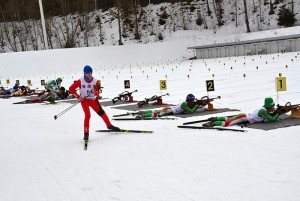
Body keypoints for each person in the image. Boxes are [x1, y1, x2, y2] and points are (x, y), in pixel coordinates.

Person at [69, 65, 120, 141]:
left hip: (93, 100)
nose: (90, 74)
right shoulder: (80, 81)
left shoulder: (95, 81)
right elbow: (71, 89)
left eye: (91, 73)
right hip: (84, 101)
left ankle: (109, 125)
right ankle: (86, 133)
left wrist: (97, 95)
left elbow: (97, 90)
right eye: (88, 73)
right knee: (88, 115)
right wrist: (78, 96)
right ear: (85, 73)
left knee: (102, 113)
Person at [203, 97, 282, 127]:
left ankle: (215, 118)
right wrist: (278, 113)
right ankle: (212, 123)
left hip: (243, 116)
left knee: (228, 119)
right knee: (228, 123)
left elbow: (270, 115)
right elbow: (272, 119)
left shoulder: (264, 108)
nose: (273, 108)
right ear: (269, 106)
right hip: (243, 118)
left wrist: (276, 112)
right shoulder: (263, 111)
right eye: (272, 107)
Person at [136, 94, 207, 118]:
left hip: (169, 109)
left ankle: (142, 112)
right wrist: (197, 105)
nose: (193, 102)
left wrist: (202, 104)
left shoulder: (186, 103)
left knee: (156, 112)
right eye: (192, 100)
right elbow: (191, 111)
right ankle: (143, 115)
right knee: (157, 114)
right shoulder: (184, 104)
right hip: (170, 111)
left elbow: (193, 107)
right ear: (190, 100)